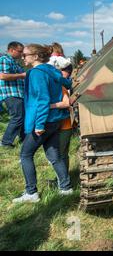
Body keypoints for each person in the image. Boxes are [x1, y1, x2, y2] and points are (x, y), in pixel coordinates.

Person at [13, 44, 72, 204]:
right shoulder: (51, 69)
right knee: (54, 156)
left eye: (25, 55)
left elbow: (42, 99)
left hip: (43, 121)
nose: (23, 57)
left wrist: (38, 125)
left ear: (36, 56)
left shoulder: (36, 73)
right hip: (55, 120)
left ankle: (31, 192)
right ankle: (66, 188)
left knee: (25, 155)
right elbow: (66, 81)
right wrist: (68, 86)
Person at [0, 42, 26, 148]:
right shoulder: (4, 60)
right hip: (11, 94)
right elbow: (3, 76)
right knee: (17, 117)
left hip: (18, 93)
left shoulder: (14, 62)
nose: (21, 54)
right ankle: (6, 142)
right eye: (20, 51)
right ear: (12, 50)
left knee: (22, 117)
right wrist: (22, 75)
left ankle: (23, 139)